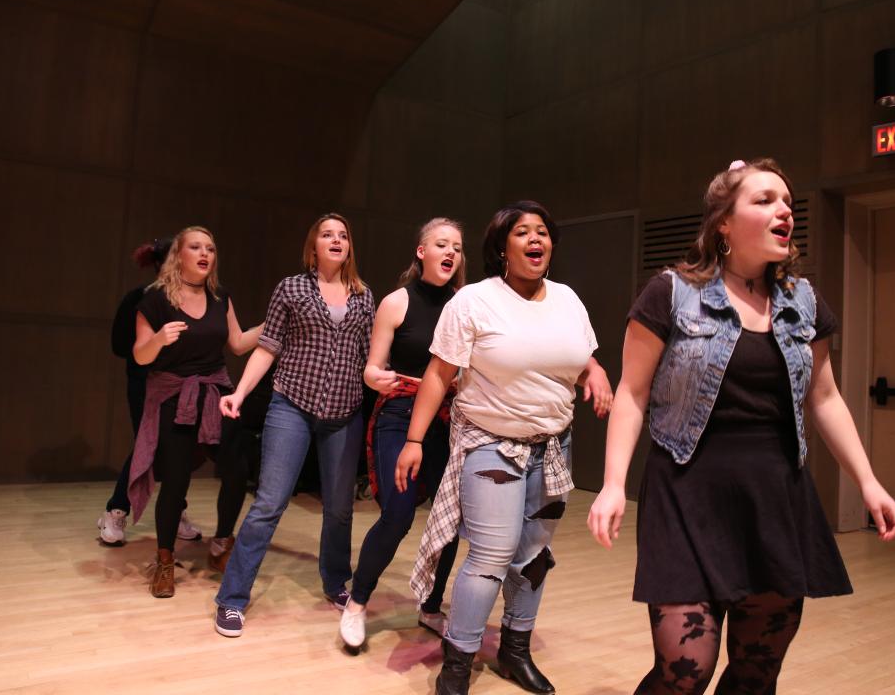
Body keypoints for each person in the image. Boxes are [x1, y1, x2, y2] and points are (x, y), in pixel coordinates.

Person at [587, 158, 895, 694]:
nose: (784, 209)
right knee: (685, 668)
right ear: (723, 224)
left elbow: (825, 397)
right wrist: (614, 483)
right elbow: (632, 392)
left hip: (775, 496)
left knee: (757, 672)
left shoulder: (802, 302)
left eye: (787, 201)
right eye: (764, 199)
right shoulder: (672, 293)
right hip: (686, 492)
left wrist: (868, 481)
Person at [399, 201, 613, 695]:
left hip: (553, 445)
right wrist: (413, 440)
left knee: (533, 556)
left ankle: (515, 652)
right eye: (523, 232)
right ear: (502, 248)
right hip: (492, 445)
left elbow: (582, 356)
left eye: (543, 232)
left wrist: (595, 372)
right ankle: (457, 665)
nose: (536, 240)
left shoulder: (567, 300)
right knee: (491, 557)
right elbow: (439, 374)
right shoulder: (473, 302)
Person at [213, 213, 374, 638]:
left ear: (349, 247)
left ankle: (335, 581)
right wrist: (240, 393)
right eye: (327, 234)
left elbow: (371, 357)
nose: (336, 240)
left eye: (343, 235)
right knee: (269, 503)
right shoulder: (292, 288)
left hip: (345, 412)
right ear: (314, 247)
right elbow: (267, 348)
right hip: (292, 407)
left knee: (339, 509)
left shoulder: (363, 295)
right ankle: (232, 599)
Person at [339, 217, 466, 650]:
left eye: (457, 247)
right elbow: (373, 367)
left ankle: (430, 606)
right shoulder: (396, 302)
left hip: (449, 420)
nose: (451, 253)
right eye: (442, 244)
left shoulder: (465, 304)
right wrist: (375, 378)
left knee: (450, 521)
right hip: (401, 411)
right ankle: (356, 602)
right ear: (422, 252)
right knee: (397, 513)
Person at [127, 226, 262, 598]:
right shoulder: (155, 300)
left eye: (211, 249)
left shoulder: (220, 297)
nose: (205, 254)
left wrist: (273, 326)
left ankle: (221, 545)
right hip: (174, 399)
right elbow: (140, 355)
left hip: (216, 395)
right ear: (179, 255)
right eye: (196, 247)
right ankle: (165, 558)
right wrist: (158, 339)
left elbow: (237, 344)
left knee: (237, 471)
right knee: (175, 482)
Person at [98, 238, 201, 546]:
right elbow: (120, 346)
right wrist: (155, 341)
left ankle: (175, 511)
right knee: (150, 445)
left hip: (182, 384)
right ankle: (116, 510)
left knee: (178, 449)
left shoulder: (193, 298)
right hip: (145, 383)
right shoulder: (139, 299)